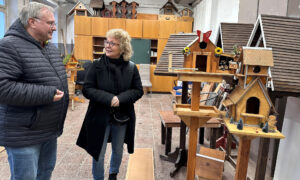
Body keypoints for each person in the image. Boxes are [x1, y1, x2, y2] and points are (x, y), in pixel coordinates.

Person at [0, 2, 69, 180]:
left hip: (47, 130)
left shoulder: (49, 48)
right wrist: (46, 94)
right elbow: (3, 87)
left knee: (44, 174)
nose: (54, 28)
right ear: (32, 22)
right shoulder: (9, 46)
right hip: (24, 134)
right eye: (50, 23)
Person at [76, 29, 143, 180]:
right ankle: (98, 178)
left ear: (123, 47)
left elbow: (138, 90)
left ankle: (113, 174)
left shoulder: (131, 67)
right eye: (107, 41)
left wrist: (121, 99)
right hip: (99, 116)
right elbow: (87, 89)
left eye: (113, 43)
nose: (107, 45)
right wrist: (109, 98)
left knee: (118, 149)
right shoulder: (96, 65)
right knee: (98, 150)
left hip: (121, 116)